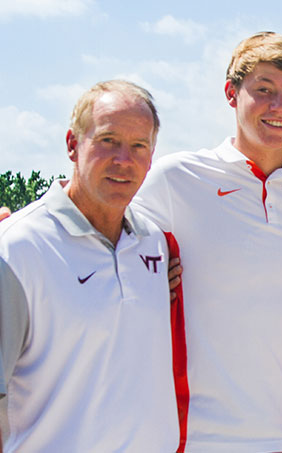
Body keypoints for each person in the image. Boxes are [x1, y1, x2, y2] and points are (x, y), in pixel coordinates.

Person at [133, 31, 282, 453]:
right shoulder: (176, 178)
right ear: (231, 93)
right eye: (264, 91)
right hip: (200, 438)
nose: (279, 108)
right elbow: (94, 230)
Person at [0, 80, 179, 452]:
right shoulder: (16, 248)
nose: (123, 160)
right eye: (108, 141)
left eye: (138, 146)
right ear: (72, 144)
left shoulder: (154, 244)